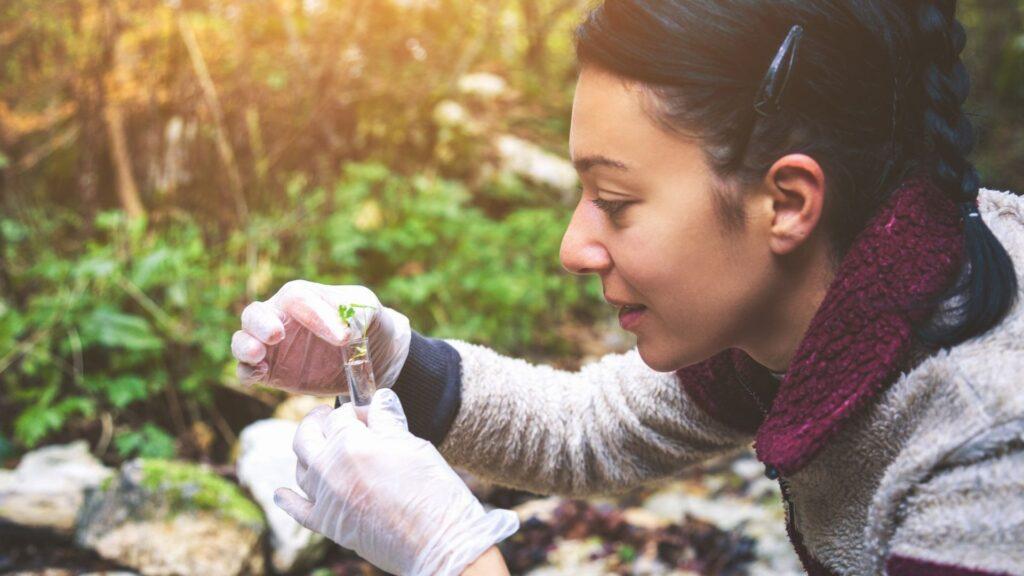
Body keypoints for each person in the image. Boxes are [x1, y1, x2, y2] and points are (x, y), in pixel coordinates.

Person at [231, 1, 1024, 574]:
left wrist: (453, 556)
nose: (574, 247)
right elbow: (588, 431)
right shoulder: (831, 297)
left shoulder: (987, 456)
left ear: (786, 202)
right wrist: (389, 356)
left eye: (614, 203)